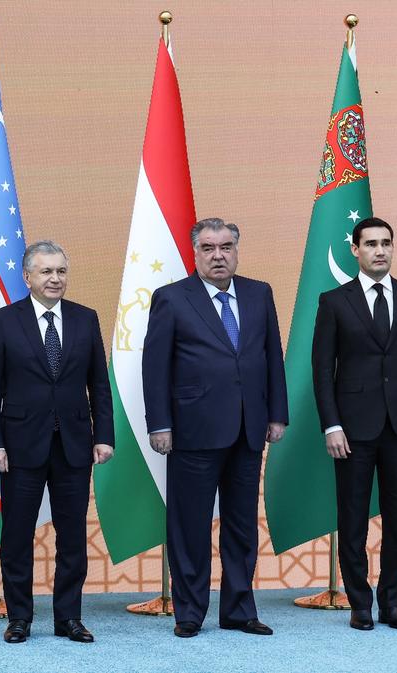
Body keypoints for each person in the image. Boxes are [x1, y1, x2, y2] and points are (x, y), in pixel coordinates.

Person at [142, 218, 287, 638]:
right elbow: (155, 367)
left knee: (242, 526)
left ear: (236, 251)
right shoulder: (172, 298)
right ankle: (189, 612)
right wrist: (160, 424)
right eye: (208, 248)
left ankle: (239, 610)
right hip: (193, 430)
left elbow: (271, 356)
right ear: (195, 253)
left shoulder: (259, 293)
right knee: (190, 526)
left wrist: (277, 414)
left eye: (226, 247)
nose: (218, 255)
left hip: (248, 429)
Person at [0, 240, 114, 645]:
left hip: (75, 444)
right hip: (19, 446)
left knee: (72, 537)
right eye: (46, 271)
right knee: (17, 536)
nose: (55, 278)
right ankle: (19, 617)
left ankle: (68, 617)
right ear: (27, 277)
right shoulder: (4, 320)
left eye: (61, 271)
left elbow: (99, 384)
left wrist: (104, 436)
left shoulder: (85, 318)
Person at [312, 216, 397, 631]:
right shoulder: (334, 302)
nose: (379, 250)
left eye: (386, 243)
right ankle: (360, 605)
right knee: (352, 522)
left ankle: (391, 604)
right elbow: (322, 370)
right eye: (370, 244)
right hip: (352, 431)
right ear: (355, 250)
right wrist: (331, 426)